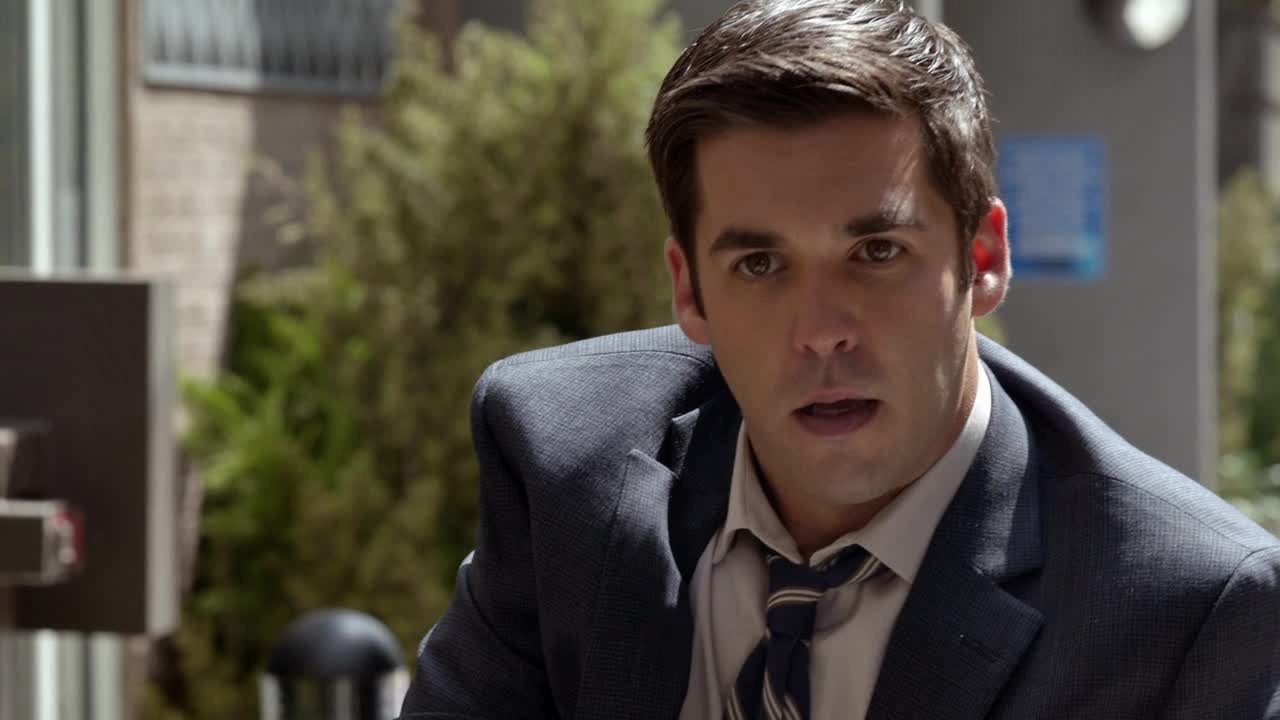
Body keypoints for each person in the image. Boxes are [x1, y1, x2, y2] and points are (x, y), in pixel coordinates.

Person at [398, 1, 1280, 718]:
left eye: (876, 253)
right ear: (690, 290)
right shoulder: (563, 458)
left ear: (981, 259)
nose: (821, 332)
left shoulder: (1183, 610)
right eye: (759, 265)